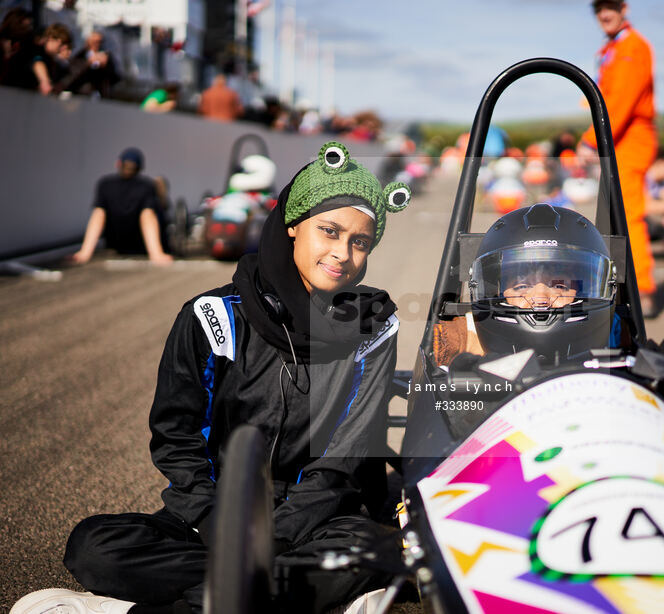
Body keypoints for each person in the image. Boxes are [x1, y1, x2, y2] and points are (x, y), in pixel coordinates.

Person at [12, 142, 411, 614]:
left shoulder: (374, 325)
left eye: (360, 242)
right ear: (292, 225)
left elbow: (344, 458)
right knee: (94, 544)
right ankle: (268, 597)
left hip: (318, 520)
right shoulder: (213, 315)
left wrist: (273, 537)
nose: (342, 253)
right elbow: (176, 436)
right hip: (216, 515)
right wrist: (222, 527)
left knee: (370, 552)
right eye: (329, 231)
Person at [434, 203, 618, 366]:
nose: (540, 299)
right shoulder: (459, 342)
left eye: (559, 286)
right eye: (521, 287)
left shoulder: (619, 341)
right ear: (497, 291)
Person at [576, 0, 658, 315]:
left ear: (624, 8)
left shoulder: (632, 46)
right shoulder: (615, 46)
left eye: (609, 6)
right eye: (598, 8)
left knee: (628, 215)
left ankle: (643, 291)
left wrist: (590, 139)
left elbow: (621, 100)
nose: (603, 13)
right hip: (617, 135)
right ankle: (616, 288)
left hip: (629, 137)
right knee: (611, 215)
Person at [71, 147, 173, 265]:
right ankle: (162, 202)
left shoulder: (105, 184)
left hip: (116, 245)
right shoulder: (146, 186)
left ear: (118, 164)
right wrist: (156, 253)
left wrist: (85, 253)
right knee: (157, 209)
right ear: (139, 168)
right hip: (141, 245)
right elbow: (147, 216)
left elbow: (98, 216)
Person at [67, 30, 119, 98]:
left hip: (101, 96)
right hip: (82, 95)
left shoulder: (106, 57)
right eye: (94, 42)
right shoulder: (79, 57)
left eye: (99, 42)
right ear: (88, 41)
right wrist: (88, 63)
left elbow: (116, 78)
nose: (97, 44)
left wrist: (107, 66)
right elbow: (73, 75)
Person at [30, 22, 71, 95]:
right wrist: (44, 81)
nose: (63, 48)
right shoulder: (37, 50)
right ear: (51, 38)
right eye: (61, 44)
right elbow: (38, 62)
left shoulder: (54, 61)